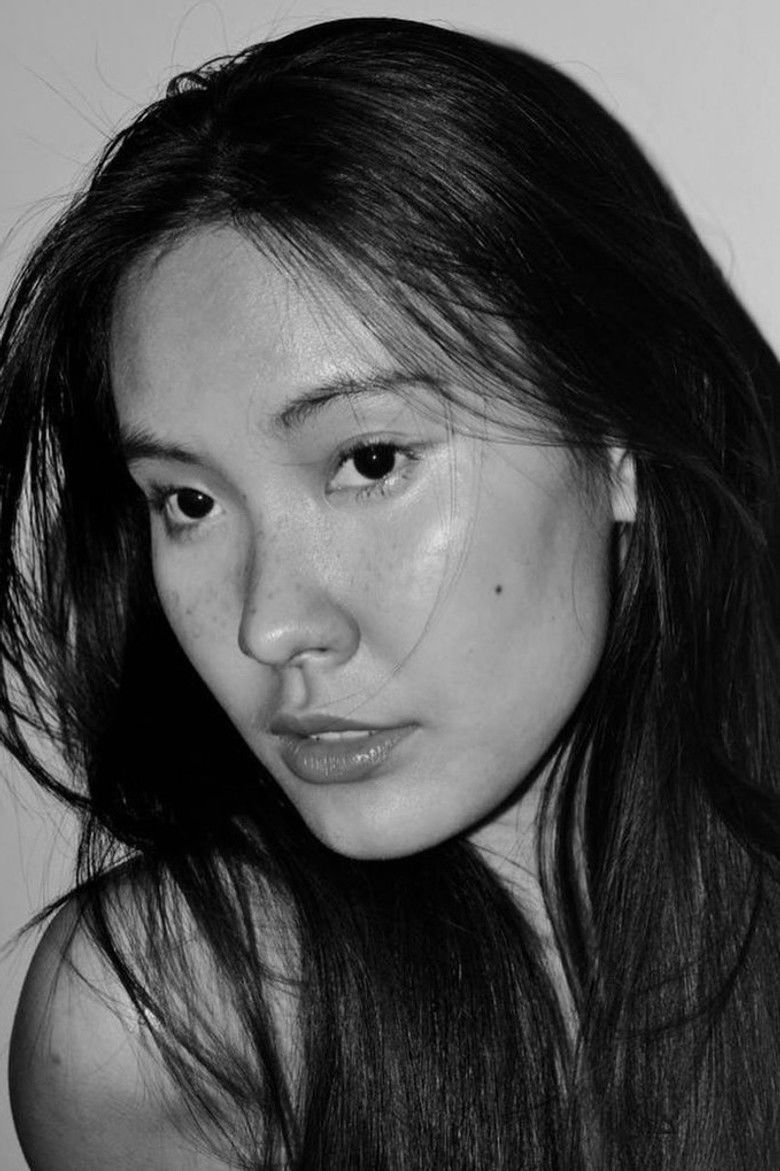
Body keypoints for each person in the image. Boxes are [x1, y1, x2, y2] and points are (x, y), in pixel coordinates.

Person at [3, 15, 780, 1169]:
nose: (270, 624)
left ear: (620, 438)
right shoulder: (171, 1034)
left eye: (370, 461)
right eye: (190, 501)